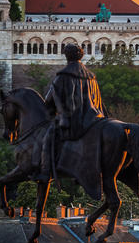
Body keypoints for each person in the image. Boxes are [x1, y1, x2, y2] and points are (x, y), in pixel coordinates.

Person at [33, 43, 106, 182]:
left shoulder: (64, 74)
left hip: (73, 119)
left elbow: (48, 100)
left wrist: (55, 112)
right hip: (94, 118)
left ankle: (44, 172)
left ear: (66, 56)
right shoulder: (91, 76)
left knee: (47, 138)